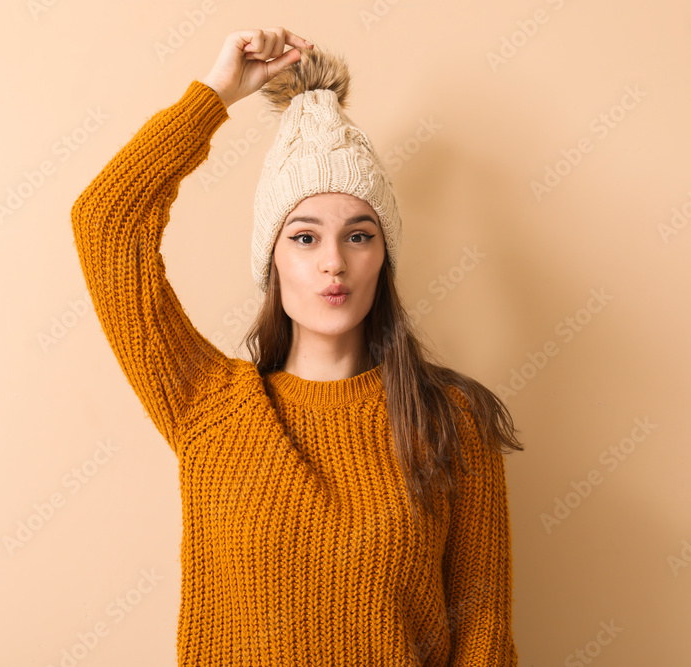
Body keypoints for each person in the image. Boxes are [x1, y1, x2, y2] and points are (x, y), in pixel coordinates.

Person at [71, 26, 523, 667]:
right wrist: (216, 95)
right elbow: (104, 224)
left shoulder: (453, 419)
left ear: (383, 256)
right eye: (305, 238)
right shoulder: (211, 408)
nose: (332, 263)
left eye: (359, 235)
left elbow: (483, 638)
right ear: (273, 259)